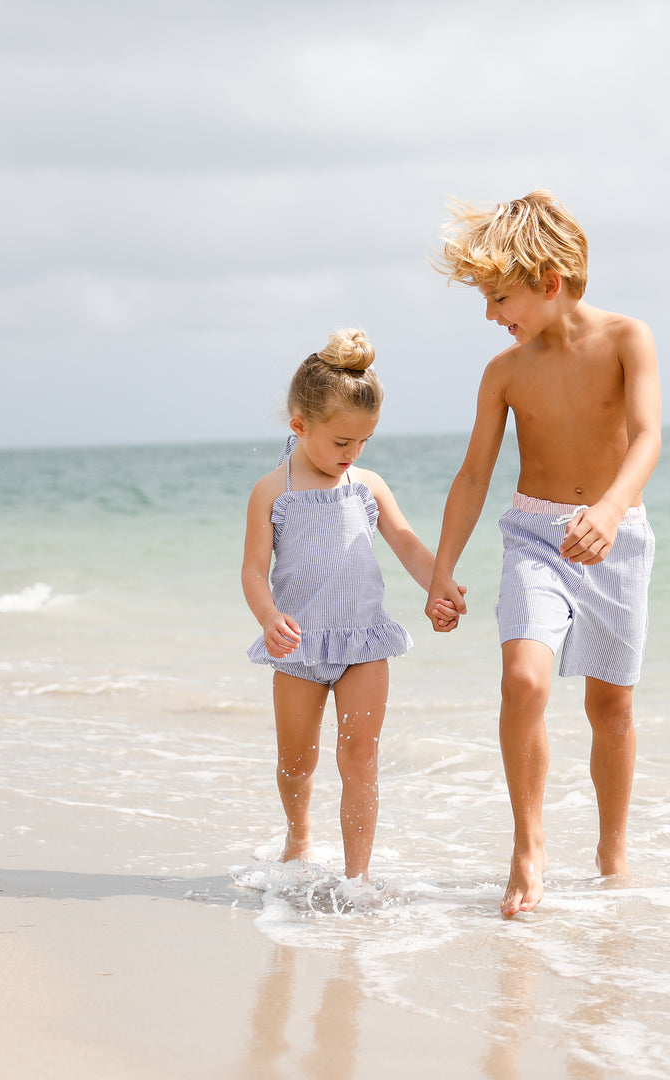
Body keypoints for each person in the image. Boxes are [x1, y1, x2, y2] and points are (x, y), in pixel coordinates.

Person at [425, 191, 661, 917]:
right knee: (524, 682)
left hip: (616, 540)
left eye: (500, 298)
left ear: (549, 282)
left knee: (610, 708)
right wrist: (442, 570)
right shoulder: (505, 373)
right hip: (535, 536)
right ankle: (528, 844)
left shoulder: (628, 339)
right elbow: (473, 476)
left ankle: (611, 854)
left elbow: (648, 436)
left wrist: (612, 507)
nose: (493, 315)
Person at [243, 328, 457, 882]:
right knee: (297, 763)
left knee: (360, 759)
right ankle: (298, 836)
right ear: (300, 426)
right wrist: (269, 618)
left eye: (363, 442)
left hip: (363, 641)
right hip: (299, 648)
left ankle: (356, 879)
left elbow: (406, 542)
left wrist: (439, 584)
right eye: (341, 443)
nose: (352, 454)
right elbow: (252, 570)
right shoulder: (273, 492)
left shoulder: (367, 486)